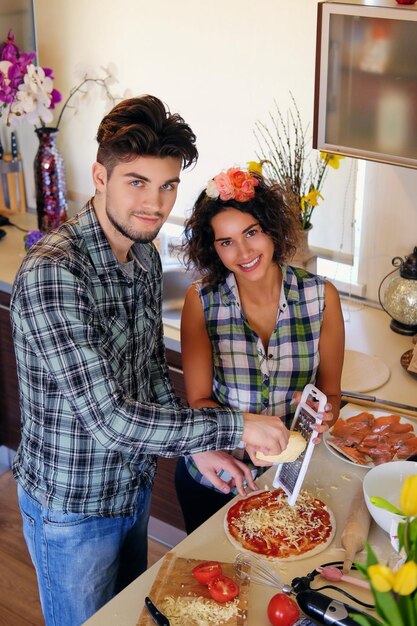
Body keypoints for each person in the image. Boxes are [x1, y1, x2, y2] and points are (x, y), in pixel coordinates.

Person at [10, 98, 289, 626]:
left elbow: (148, 375)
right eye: (137, 182)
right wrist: (237, 424)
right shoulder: (55, 273)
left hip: (131, 489)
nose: (155, 204)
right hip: (73, 509)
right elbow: (112, 419)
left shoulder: (143, 255)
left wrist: (204, 447)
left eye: (167, 186)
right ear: (100, 175)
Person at [175, 166, 345, 533]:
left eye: (251, 232)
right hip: (217, 476)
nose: (244, 252)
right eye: (226, 242)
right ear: (212, 248)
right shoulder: (201, 301)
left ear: (271, 230)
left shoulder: (321, 298)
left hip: (290, 480)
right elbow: (200, 401)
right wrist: (243, 434)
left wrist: (322, 415)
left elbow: (331, 393)